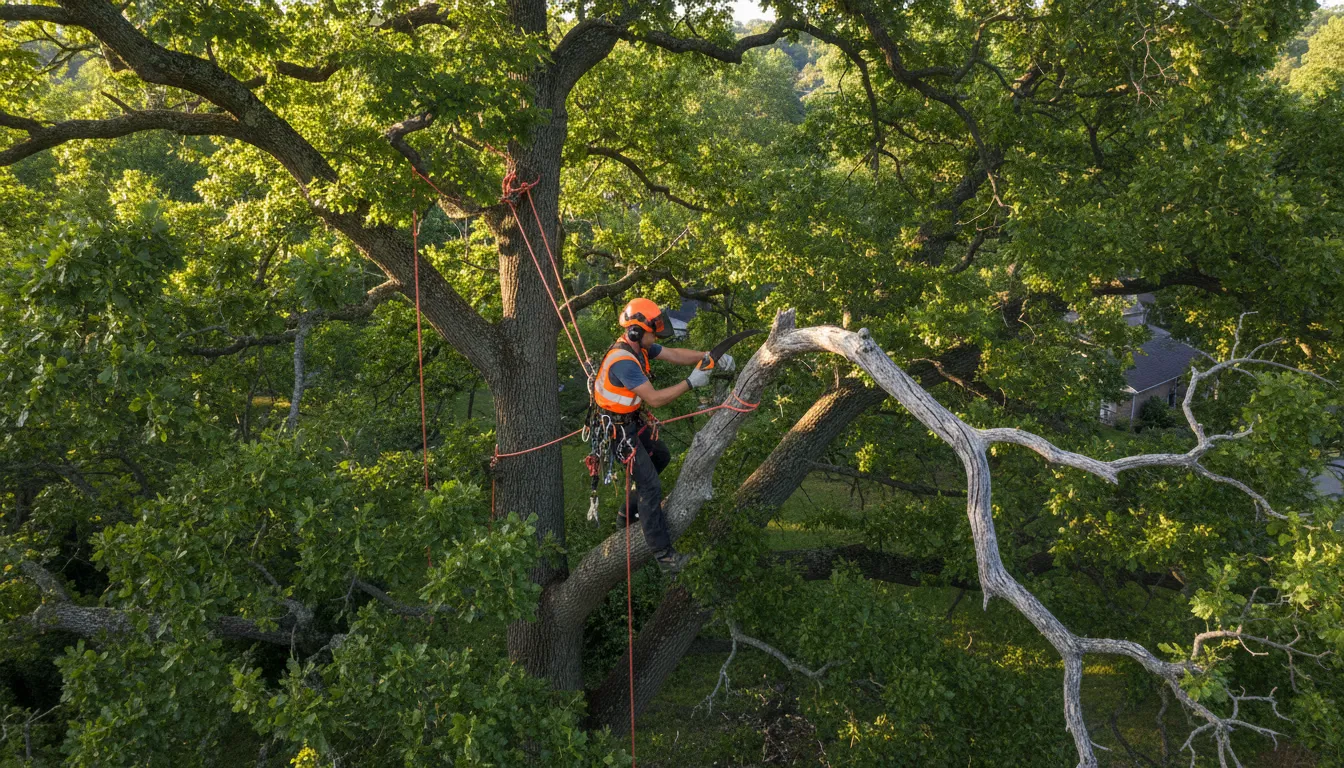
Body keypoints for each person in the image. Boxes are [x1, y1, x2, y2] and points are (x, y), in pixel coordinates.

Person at [592, 298, 735, 573]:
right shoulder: (625, 363)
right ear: (635, 331)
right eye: (652, 331)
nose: (656, 335)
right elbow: (655, 399)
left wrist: (707, 357)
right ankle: (664, 555)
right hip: (619, 431)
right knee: (650, 486)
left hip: (630, 421)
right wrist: (691, 382)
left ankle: (628, 511)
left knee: (661, 456)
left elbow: (674, 354)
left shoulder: (639, 348)